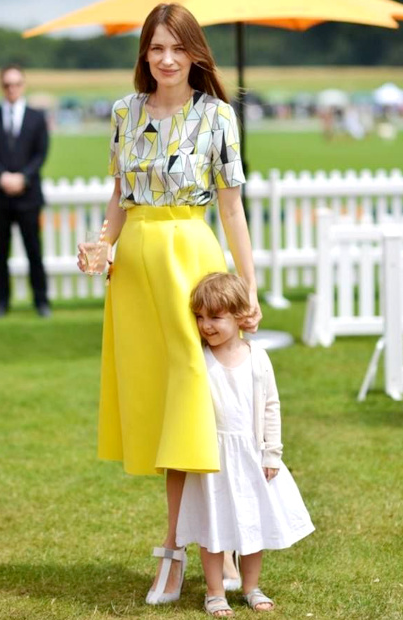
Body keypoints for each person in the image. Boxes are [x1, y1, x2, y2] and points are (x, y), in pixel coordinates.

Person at [76, 3, 262, 604]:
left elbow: (231, 209)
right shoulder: (124, 112)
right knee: (162, 413)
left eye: (177, 47)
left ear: (195, 53)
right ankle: (197, 549)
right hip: (135, 275)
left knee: (196, 410)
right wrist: (102, 248)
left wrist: (248, 288)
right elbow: (119, 198)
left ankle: (188, 551)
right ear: (144, 54)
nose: (166, 58)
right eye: (156, 48)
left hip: (193, 263)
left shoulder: (218, 116)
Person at [176, 273, 315, 616]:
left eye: (215, 317)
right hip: (213, 457)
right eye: (200, 317)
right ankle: (214, 591)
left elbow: (270, 405)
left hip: (251, 454)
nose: (205, 325)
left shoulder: (257, 358)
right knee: (213, 526)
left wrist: (272, 452)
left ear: (239, 316)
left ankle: (251, 587)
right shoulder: (199, 358)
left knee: (252, 523)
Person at [0, 63, 51, 318]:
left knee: (34, 252)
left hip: (29, 196)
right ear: (1, 86)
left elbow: (40, 153)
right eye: (7, 84)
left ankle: (41, 302)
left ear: (23, 85)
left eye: (16, 84)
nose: (12, 89)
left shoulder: (36, 117)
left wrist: (23, 177)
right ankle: (1, 302)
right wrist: (3, 177)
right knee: (0, 254)